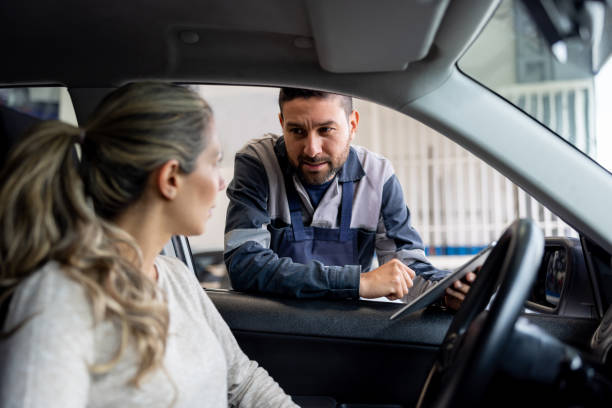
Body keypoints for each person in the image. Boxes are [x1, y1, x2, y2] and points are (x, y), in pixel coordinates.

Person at [0, 82, 297, 407]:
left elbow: (243, 381)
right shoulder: (60, 298)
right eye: (214, 162)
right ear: (170, 178)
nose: (221, 182)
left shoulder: (175, 276)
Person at [224, 87, 475, 306]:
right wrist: (358, 282)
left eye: (326, 130)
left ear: (352, 125)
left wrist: (448, 291)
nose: (312, 149)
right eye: (297, 131)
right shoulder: (258, 163)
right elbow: (245, 265)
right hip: (275, 332)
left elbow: (407, 269)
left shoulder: (378, 176)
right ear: (282, 124)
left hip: (344, 332)